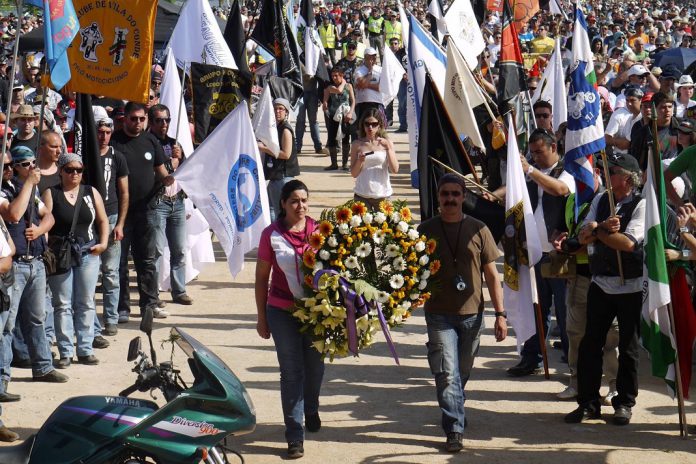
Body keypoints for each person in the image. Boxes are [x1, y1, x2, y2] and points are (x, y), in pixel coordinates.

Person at [417, 174, 507, 453]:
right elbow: (411, 271)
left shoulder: (480, 229)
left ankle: (455, 402)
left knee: (462, 370)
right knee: (446, 372)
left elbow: (492, 276)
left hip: (472, 314)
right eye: (445, 194)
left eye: (456, 194)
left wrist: (500, 314)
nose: (450, 199)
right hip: (438, 314)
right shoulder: (425, 229)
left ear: (464, 197)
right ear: (439, 197)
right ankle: (454, 427)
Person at [566, 153, 645, 426]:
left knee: (628, 347)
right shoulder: (601, 199)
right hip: (601, 283)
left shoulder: (642, 204)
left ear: (628, 177)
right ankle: (588, 402)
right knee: (590, 343)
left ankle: (624, 403)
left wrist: (598, 231)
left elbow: (629, 243)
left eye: (613, 170)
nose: (607, 174)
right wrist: (599, 228)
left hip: (631, 287)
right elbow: (582, 233)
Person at [255, 180, 324, 460]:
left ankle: (310, 407)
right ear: (282, 203)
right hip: (281, 311)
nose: (301, 206)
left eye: (305, 200)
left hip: (316, 313)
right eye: (294, 200)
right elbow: (261, 279)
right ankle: (294, 435)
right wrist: (262, 317)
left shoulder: (321, 231)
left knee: (315, 367)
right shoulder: (271, 235)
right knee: (291, 372)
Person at [0, 146, 67, 385]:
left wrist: (40, 229)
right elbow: (14, 214)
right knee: (7, 325)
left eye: (31, 163)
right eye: (23, 164)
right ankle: (2, 379)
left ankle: (43, 366)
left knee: (38, 317)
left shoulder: (28, 188)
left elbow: (48, 215)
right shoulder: (5, 191)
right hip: (14, 266)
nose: (30, 168)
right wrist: (29, 183)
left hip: (36, 262)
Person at [553, 168, 619, 402]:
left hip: (604, 276)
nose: (579, 178)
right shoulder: (571, 199)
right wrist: (560, 238)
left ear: (597, 173)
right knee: (575, 333)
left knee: (611, 335)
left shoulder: (608, 201)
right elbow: (562, 227)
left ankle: (614, 385)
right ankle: (576, 382)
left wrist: (585, 239)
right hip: (578, 275)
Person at [43, 153, 109, 368]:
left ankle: (85, 349)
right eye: (70, 170)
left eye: (78, 170)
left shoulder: (91, 192)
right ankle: (65, 351)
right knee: (62, 304)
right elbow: (46, 223)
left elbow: (102, 220)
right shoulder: (51, 193)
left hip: (88, 252)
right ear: (60, 171)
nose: (74, 174)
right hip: (61, 254)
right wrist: (45, 250)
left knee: (86, 301)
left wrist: (104, 242)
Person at [110, 102, 173, 322]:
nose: (137, 123)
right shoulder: (114, 142)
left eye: (141, 119)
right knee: (119, 264)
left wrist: (170, 177)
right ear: (125, 118)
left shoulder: (150, 141)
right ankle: (122, 308)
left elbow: (161, 172)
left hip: (146, 210)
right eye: (133, 118)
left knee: (146, 261)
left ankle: (149, 304)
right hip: (120, 213)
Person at [148, 104, 192, 306]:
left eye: (167, 120)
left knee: (180, 249)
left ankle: (179, 289)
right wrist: (173, 161)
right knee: (156, 251)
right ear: (151, 121)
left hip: (177, 201)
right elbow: (160, 172)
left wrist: (181, 158)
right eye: (159, 120)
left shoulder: (175, 143)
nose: (164, 124)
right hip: (157, 202)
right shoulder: (147, 143)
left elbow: (186, 171)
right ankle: (153, 293)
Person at [93, 117, 128, 340]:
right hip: (90, 218)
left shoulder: (117, 157)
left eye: (107, 132)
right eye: (100, 131)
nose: (103, 136)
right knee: (89, 274)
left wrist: (120, 223)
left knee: (111, 273)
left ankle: (111, 318)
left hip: (112, 215)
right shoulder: (85, 154)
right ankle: (91, 322)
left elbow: (124, 192)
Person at [259, 98, 299, 221]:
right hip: (275, 176)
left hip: (282, 177)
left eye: (281, 109)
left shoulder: (285, 130)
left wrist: (264, 148)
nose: (277, 111)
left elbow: (286, 154)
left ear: (286, 112)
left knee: (279, 212)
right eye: (275, 108)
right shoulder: (275, 127)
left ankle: (278, 236)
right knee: (270, 209)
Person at [349, 109, 398, 210]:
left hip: (383, 195)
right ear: (363, 125)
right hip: (362, 194)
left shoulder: (387, 142)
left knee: (386, 226)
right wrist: (360, 161)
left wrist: (388, 148)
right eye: (367, 124)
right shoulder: (356, 144)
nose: (370, 127)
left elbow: (395, 170)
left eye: (374, 124)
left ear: (379, 125)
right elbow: (354, 173)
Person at [322, 65, 355, 171]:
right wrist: (325, 103)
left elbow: (353, 100)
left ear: (342, 75)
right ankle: (334, 164)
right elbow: (336, 92)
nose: (334, 78)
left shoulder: (349, 86)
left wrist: (350, 112)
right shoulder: (330, 87)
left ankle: (345, 164)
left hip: (345, 116)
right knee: (331, 139)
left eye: (336, 75)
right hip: (333, 115)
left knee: (346, 139)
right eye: (332, 76)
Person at [353, 47, 384, 123]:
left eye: (374, 57)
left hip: (377, 102)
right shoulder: (359, 70)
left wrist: (366, 85)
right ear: (365, 57)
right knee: (362, 126)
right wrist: (370, 71)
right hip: (362, 103)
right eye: (370, 57)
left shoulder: (380, 70)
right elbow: (362, 83)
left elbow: (381, 87)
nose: (372, 59)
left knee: (378, 125)